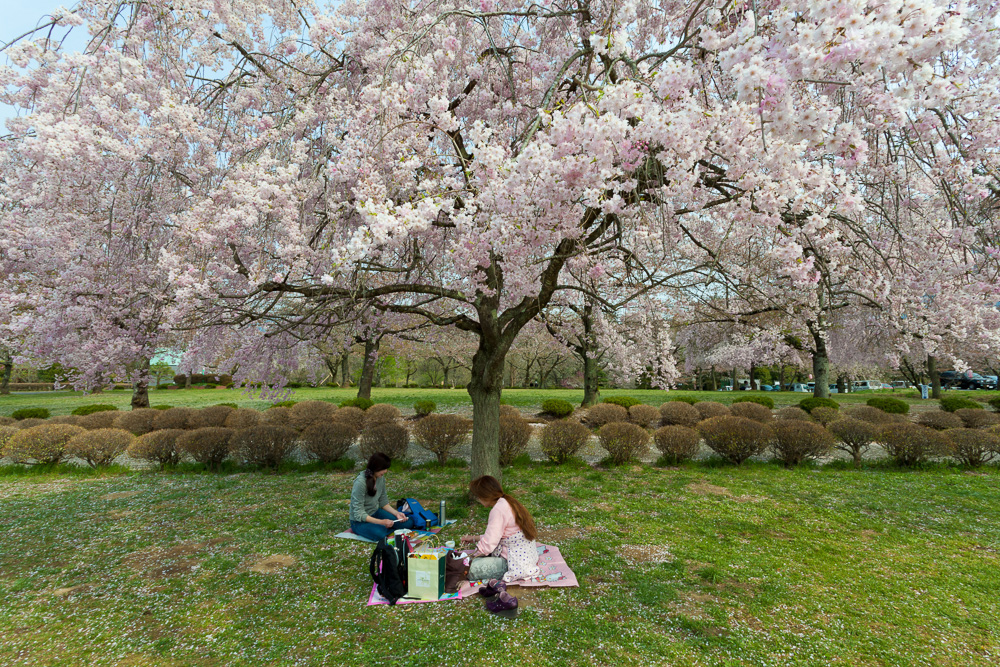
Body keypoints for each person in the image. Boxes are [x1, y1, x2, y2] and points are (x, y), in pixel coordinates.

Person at [460, 475, 540, 583]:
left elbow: (489, 544)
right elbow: (497, 535)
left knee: (465, 568)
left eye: (478, 496)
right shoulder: (506, 502)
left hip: (512, 563)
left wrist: (469, 558)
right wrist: (474, 538)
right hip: (526, 557)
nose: (478, 500)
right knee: (470, 563)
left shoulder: (498, 510)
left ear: (485, 496)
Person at [349, 453, 414, 541]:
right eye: (383, 469)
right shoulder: (360, 483)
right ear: (376, 468)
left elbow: (383, 501)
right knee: (380, 533)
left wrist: (396, 513)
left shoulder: (380, 478)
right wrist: (382, 522)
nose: (385, 471)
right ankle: (379, 528)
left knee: (408, 523)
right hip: (359, 521)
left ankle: (383, 527)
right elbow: (358, 513)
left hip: (376, 512)